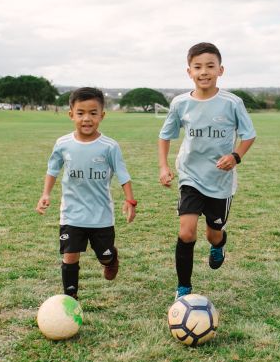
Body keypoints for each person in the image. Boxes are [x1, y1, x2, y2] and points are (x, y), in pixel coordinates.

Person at [158, 42, 257, 299]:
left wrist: (235, 156)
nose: (204, 72)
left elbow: (249, 136)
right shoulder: (180, 104)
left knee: (213, 234)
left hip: (220, 181)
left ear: (220, 70)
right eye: (198, 67)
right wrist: (164, 166)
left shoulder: (232, 103)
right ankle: (184, 288)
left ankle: (219, 244)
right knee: (186, 231)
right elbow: (165, 136)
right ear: (188, 71)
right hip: (190, 175)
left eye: (210, 66)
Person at [36, 87, 136, 299]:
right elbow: (52, 169)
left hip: (101, 215)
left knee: (105, 256)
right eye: (80, 113)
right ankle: (70, 300)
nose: (87, 119)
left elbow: (123, 174)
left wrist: (130, 200)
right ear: (71, 114)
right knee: (69, 255)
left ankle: (111, 259)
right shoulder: (63, 144)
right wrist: (46, 194)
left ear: (102, 115)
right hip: (72, 213)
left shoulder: (109, 146)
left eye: (93, 113)